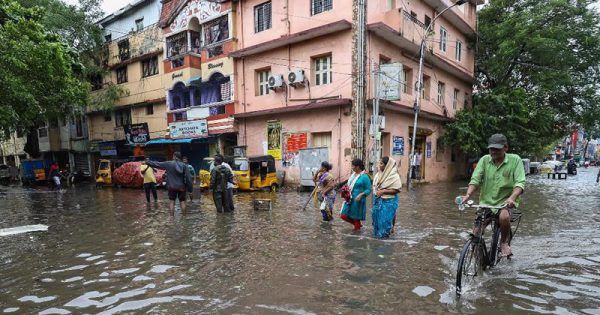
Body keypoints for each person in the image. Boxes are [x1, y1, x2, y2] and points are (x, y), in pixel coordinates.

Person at [460, 134, 525, 258]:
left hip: (506, 202)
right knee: (476, 232)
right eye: (491, 149)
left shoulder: (515, 160)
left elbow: (520, 183)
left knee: (504, 216)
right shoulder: (484, 160)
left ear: (506, 147)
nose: (493, 151)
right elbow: (475, 180)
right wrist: (468, 195)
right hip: (486, 202)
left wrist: (512, 198)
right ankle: (479, 259)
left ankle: (504, 242)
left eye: (497, 149)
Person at [145, 152, 193, 216]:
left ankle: (172, 218)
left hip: (171, 187)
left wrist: (148, 162)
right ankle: (184, 217)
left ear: (174, 156)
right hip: (181, 187)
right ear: (180, 158)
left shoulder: (168, 163)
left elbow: (157, 164)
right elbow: (188, 178)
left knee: (172, 202)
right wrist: (190, 190)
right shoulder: (184, 165)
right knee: (182, 202)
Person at [372, 157, 402, 238]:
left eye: (381, 164)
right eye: (379, 163)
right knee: (377, 222)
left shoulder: (394, 175)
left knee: (385, 222)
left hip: (389, 201)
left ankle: (385, 244)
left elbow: (397, 189)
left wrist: (383, 191)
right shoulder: (378, 174)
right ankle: (378, 241)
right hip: (378, 200)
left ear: (387, 166)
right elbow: (375, 187)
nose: (379, 165)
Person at [340, 159, 371, 231]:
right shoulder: (353, 175)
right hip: (349, 198)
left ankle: (357, 233)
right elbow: (349, 185)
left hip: (358, 200)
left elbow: (369, 189)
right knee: (343, 215)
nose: (352, 167)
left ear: (358, 167)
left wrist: (361, 195)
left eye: (353, 166)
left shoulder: (365, 177)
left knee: (355, 218)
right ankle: (358, 226)